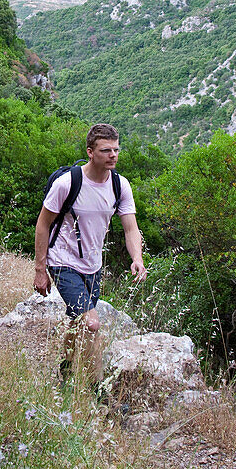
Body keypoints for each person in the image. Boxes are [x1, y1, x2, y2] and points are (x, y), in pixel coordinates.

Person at [33, 123, 148, 385]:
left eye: (116, 150)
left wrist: (137, 259)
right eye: (106, 150)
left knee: (78, 320)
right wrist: (41, 269)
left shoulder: (120, 185)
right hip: (63, 262)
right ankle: (96, 389)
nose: (113, 155)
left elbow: (131, 228)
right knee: (92, 323)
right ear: (90, 152)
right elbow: (43, 224)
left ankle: (64, 371)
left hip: (93, 266)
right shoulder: (68, 183)